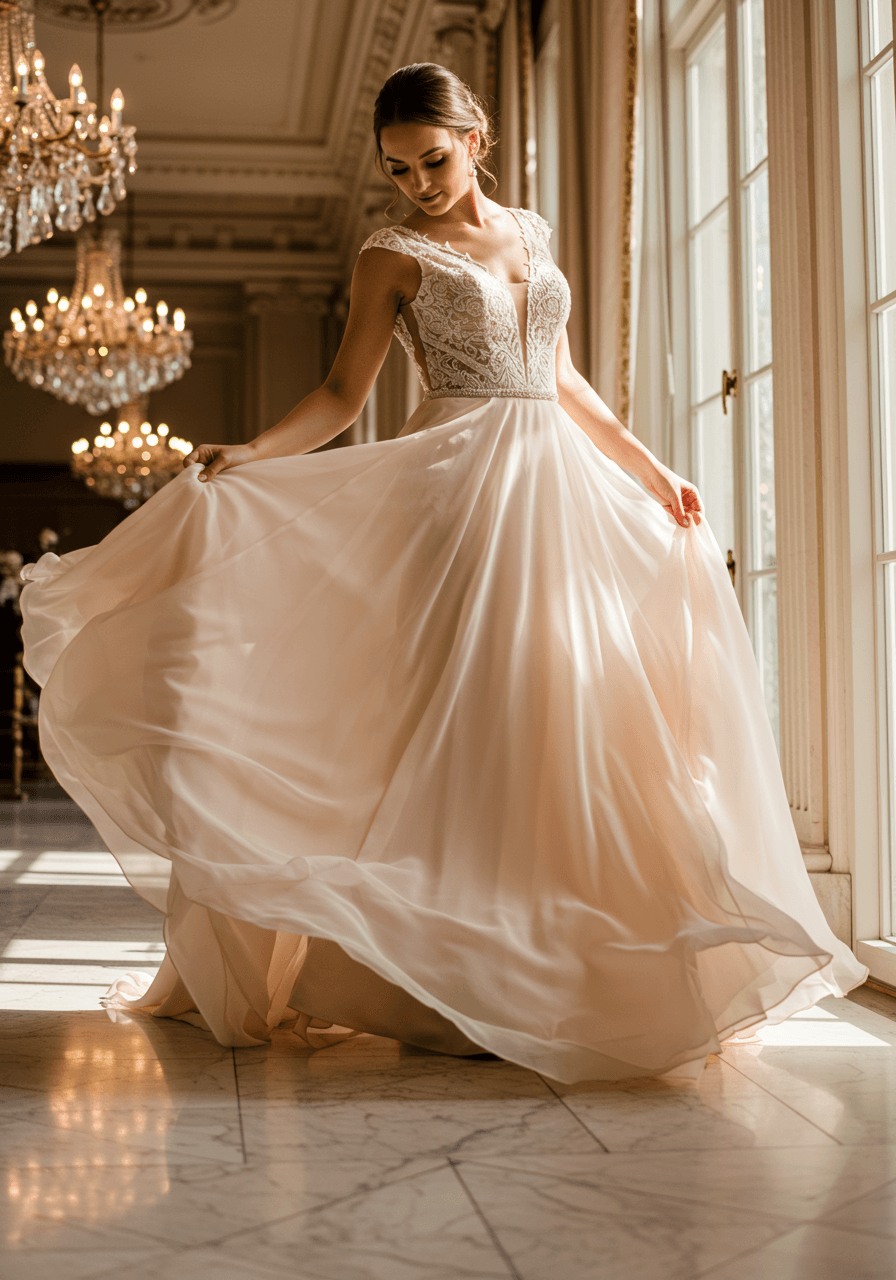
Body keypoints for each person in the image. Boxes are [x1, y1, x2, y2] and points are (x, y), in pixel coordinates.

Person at [20, 63, 866, 1083]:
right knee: (461, 715)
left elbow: (558, 381)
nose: (417, 183)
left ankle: (557, 963)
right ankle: (435, 979)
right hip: (455, 489)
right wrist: (253, 451)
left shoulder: (535, 232)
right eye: (396, 169)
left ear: (475, 137)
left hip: (556, 487)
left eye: (431, 159)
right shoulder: (391, 253)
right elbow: (342, 392)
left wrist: (650, 469)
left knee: (566, 709)